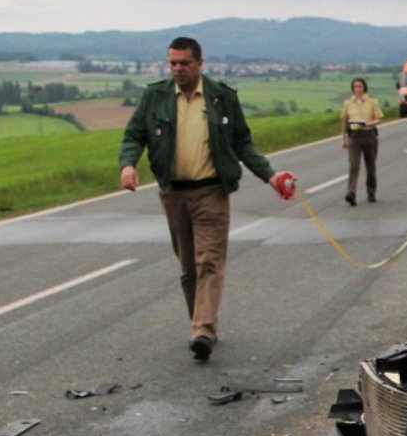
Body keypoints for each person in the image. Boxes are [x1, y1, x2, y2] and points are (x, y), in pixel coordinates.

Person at [118, 36, 297, 361]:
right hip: (173, 193)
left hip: (212, 191)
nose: (178, 69)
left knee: (209, 262)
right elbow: (134, 135)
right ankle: (200, 322)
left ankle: (202, 329)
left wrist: (270, 175)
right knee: (188, 267)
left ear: (200, 63)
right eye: (172, 63)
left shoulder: (221, 98)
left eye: (184, 63)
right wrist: (128, 164)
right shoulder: (155, 96)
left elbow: (243, 143)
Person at [341, 77, 384, 205]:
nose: (357, 89)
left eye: (360, 86)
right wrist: (344, 138)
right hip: (354, 136)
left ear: (364, 88)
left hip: (369, 135)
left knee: (370, 166)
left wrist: (370, 123)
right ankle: (351, 192)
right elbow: (344, 120)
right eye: (355, 87)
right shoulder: (348, 103)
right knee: (354, 165)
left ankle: (371, 192)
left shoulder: (372, 102)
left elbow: (379, 118)